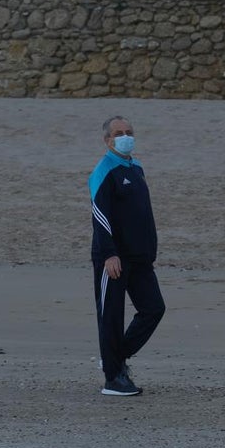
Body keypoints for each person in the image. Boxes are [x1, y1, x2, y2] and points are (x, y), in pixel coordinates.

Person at [89, 116, 166, 397]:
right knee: (110, 316)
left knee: (153, 309)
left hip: (141, 258)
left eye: (129, 132)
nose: (125, 136)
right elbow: (100, 216)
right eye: (119, 133)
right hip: (114, 259)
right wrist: (109, 254)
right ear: (107, 140)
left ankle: (115, 358)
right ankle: (113, 379)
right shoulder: (104, 170)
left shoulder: (136, 167)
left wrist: (150, 250)